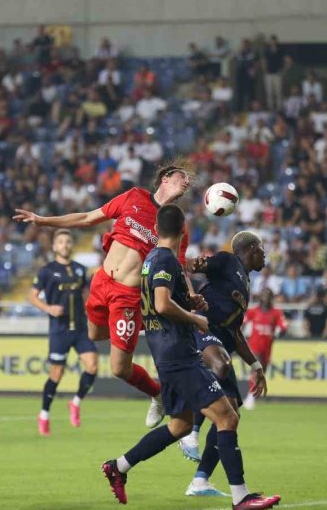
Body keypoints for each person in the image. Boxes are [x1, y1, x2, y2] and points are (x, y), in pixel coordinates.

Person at [100, 205, 280, 510]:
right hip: (180, 354)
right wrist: (195, 318)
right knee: (227, 417)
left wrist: (189, 300)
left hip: (166, 352)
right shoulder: (167, 259)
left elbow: (159, 303)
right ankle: (241, 497)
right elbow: (160, 304)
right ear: (184, 230)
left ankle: (119, 466)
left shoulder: (151, 261)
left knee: (179, 425)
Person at [14, 160, 205, 428]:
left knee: (118, 369)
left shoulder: (175, 225)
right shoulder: (133, 197)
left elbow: (179, 267)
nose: (186, 183)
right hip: (101, 282)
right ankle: (138, 326)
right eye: (181, 178)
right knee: (93, 334)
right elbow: (87, 217)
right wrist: (42, 220)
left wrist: (192, 295)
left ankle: (158, 394)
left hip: (128, 296)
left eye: (187, 183)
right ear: (165, 178)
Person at [176, 231, 268, 493]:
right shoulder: (228, 261)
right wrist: (195, 264)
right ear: (251, 248)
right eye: (262, 250)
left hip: (223, 340)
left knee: (232, 415)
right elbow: (198, 265)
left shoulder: (245, 284)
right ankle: (191, 434)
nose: (265, 256)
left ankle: (200, 480)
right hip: (204, 331)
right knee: (221, 365)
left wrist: (256, 366)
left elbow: (237, 334)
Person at [30, 230, 98, 436]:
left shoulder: (80, 270)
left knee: (93, 366)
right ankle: (44, 414)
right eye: (60, 241)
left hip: (80, 328)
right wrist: (49, 309)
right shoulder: (46, 271)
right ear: (54, 246)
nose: (65, 245)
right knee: (56, 375)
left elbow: (87, 296)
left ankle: (75, 402)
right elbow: (32, 297)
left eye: (68, 241)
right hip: (59, 330)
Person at [241, 289, 288, 410]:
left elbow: (283, 326)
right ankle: (250, 396)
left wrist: (281, 331)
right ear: (260, 297)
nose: (265, 298)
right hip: (254, 345)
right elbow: (243, 322)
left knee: (262, 372)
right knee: (257, 368)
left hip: (268, 347)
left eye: (268, 295)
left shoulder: (276, 313)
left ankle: (253, 395)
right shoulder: (253, 311)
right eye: (263, 295)